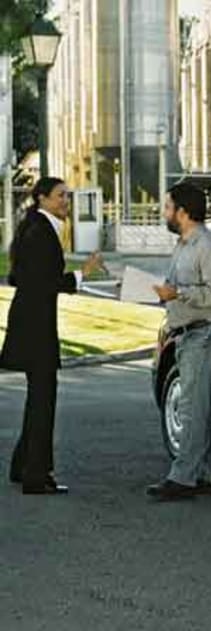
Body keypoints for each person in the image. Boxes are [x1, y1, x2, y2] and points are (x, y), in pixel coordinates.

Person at [2, 176, 104, 494]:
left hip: (30, 323)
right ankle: (36, 476)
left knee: (39, 399)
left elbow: (19, 276)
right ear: (42, 198)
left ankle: (23, 467)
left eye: (67, 196)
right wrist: (80, 275)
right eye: (60, 196)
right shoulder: (40, 233)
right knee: (44, 400)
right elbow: (39, 282)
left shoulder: (34, 227)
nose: (66, 202)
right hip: (36, 328)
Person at [146, 183, 211, 501]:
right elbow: (177, 286)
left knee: (193, 409)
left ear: (183, 211)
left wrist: (179, 293)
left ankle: (183, 479)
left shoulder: (208, 247)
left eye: (168, 207)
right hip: (185, 333)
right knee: (206, 408)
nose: (164, 213)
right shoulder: (183, 245)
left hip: (205, 335)